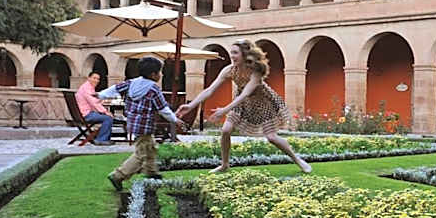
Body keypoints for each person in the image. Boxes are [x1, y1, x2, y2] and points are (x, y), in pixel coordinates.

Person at [177, 39, 311, 174]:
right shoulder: (229, 70)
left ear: (245, 54)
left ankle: (299, 160)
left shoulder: (256, 71)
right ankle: (224, 165)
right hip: (241, 103)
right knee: (226, 130)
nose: (232, 56)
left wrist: (224, 110)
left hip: (262, 102)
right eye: (231, 53)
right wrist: (191, 106)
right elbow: (209, 90)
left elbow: (246, 93)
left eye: (235, 53)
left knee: (271, 137)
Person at [99, 57, 186, 191]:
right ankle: (118, 175)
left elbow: (115, 89)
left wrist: (100, 95)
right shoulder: (153, 89)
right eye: (159, 72)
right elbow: (163, 109)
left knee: (150, 147)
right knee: (141, 154)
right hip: (145, 126)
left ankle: (151, 172)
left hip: (133, 123)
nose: (160, 75)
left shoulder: (131, 83)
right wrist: (175, 120)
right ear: (153, 75)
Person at [75, 71, 114, 145]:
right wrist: (105, 111)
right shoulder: (87, 88)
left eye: (98, 79)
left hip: (83, 113)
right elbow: (94, 103)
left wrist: (101, 102)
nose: (96, 80)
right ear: (89, 78)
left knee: (106, 116)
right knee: (108, 118)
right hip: (86, 114)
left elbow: (93, 101)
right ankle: (101, 139)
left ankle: (102, 137)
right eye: (94, 78)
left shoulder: (87, 87)